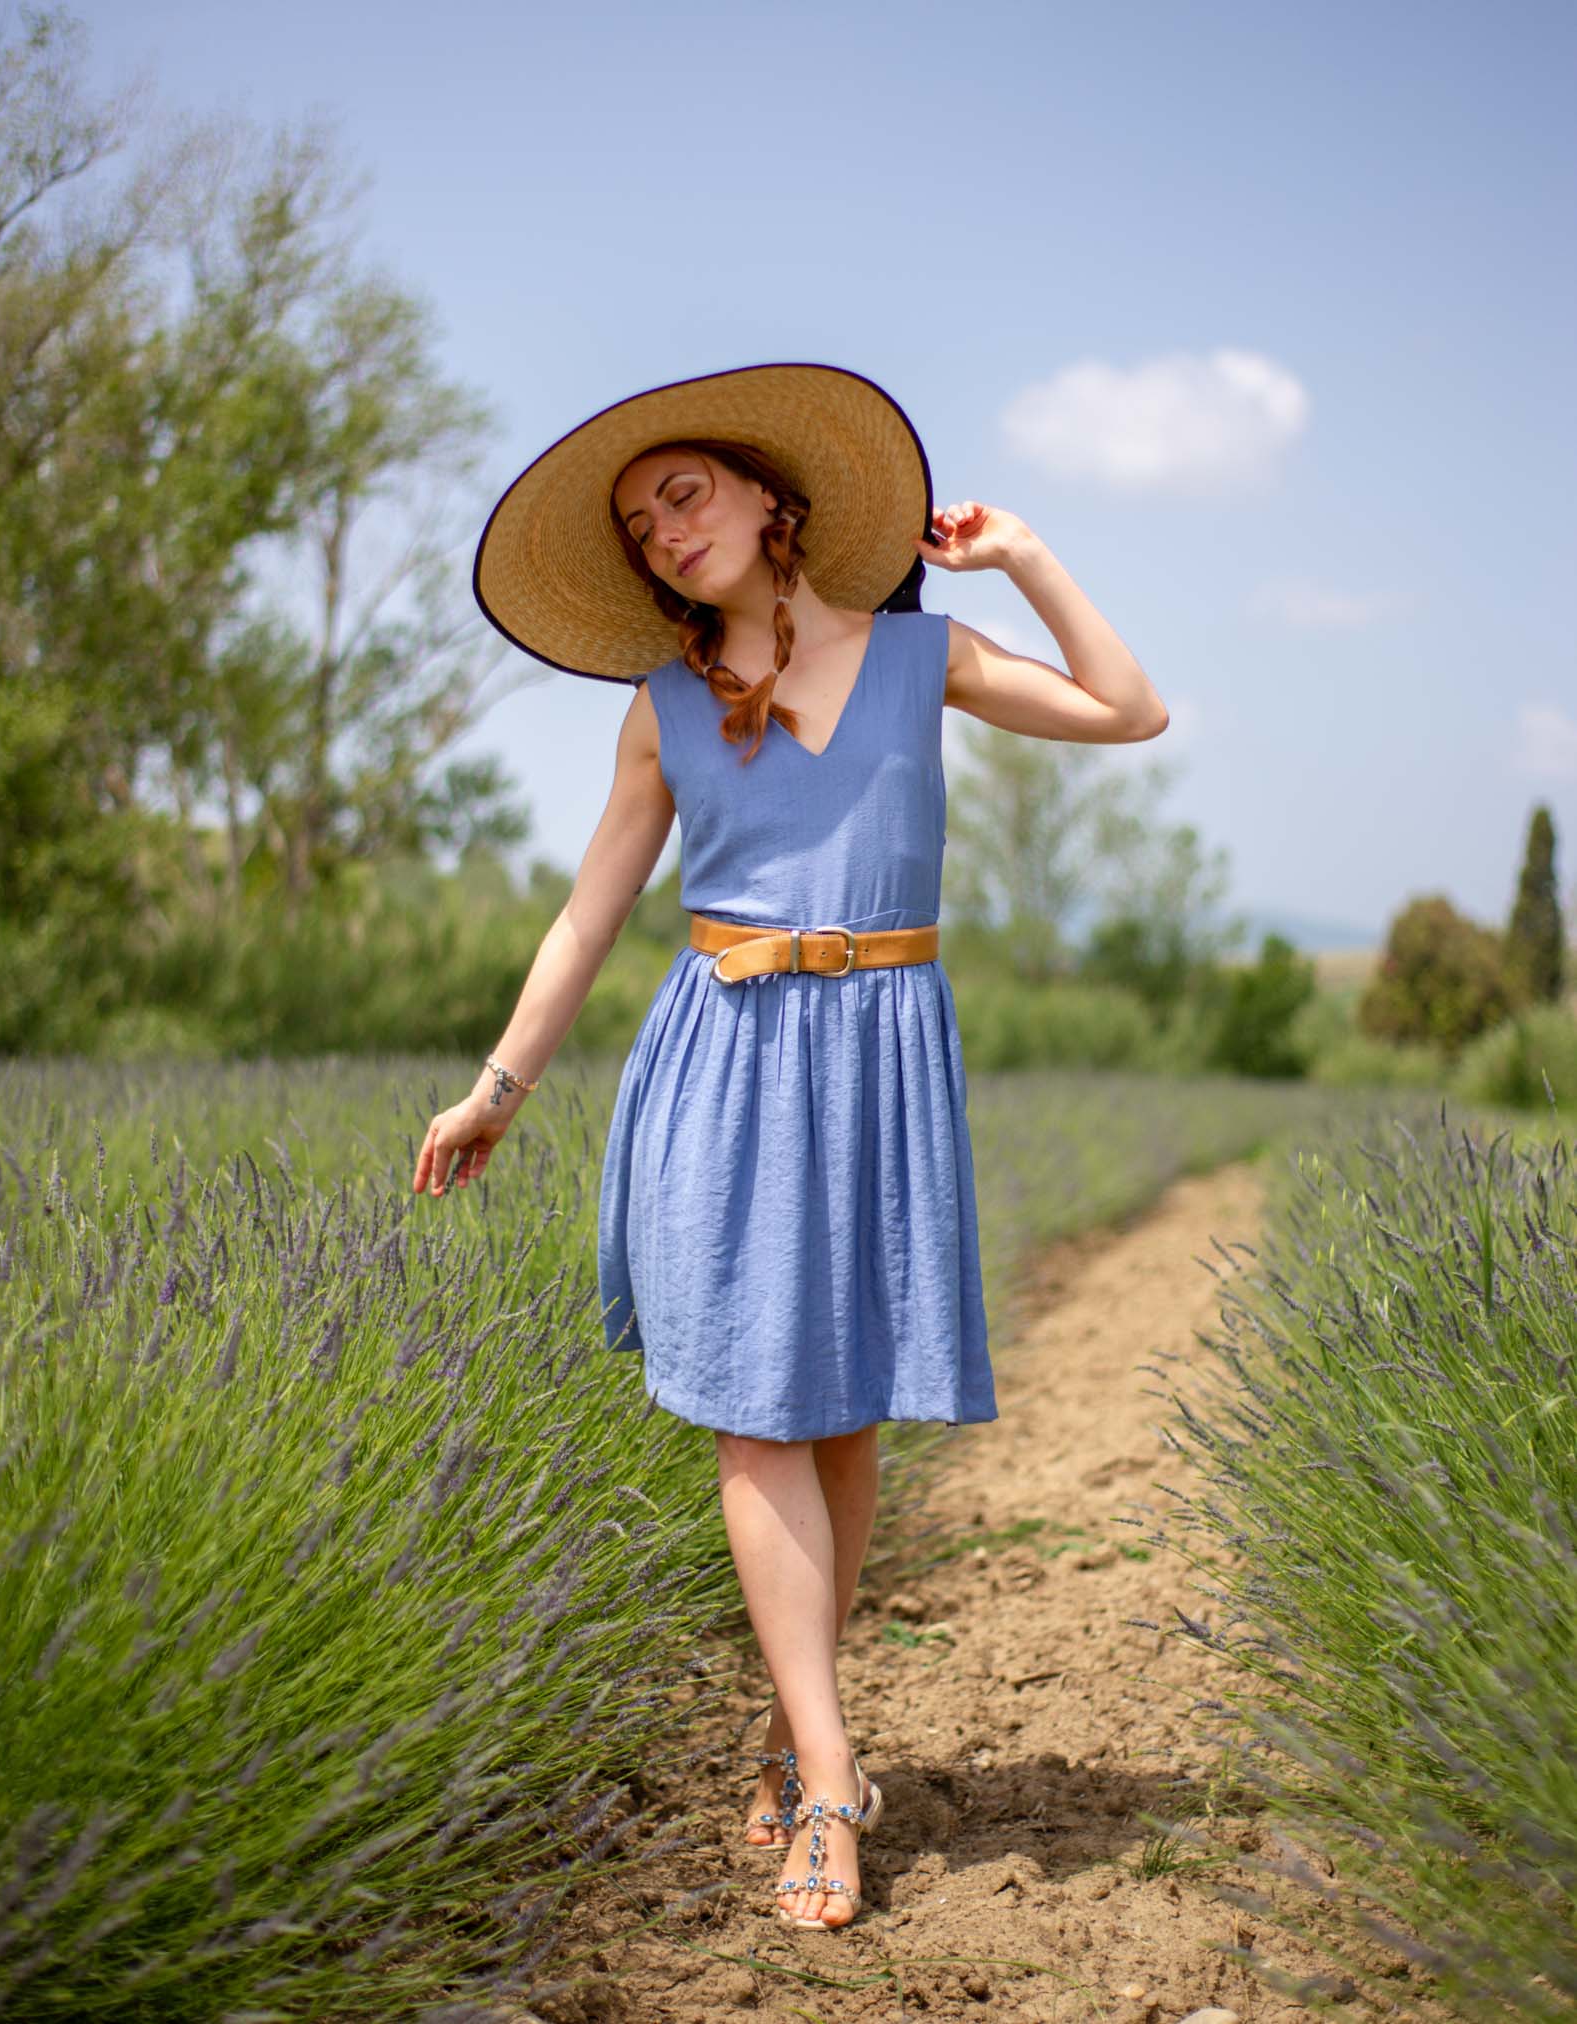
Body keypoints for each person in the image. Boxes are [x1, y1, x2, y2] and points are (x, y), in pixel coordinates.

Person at [412, 362, 1167, 1932]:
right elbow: (588, 912)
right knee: (756, 1416)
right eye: (636, 525)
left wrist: (1023, 557)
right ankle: (833, 1780)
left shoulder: (918, 657)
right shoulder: (664, 705)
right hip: (723, 1067)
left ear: (771, 500)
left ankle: (785, 1721)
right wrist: (499, 1085)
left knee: (841, 1423)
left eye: (681, 494)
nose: (662, 533)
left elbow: (1129, 710)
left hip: (883, 1059)